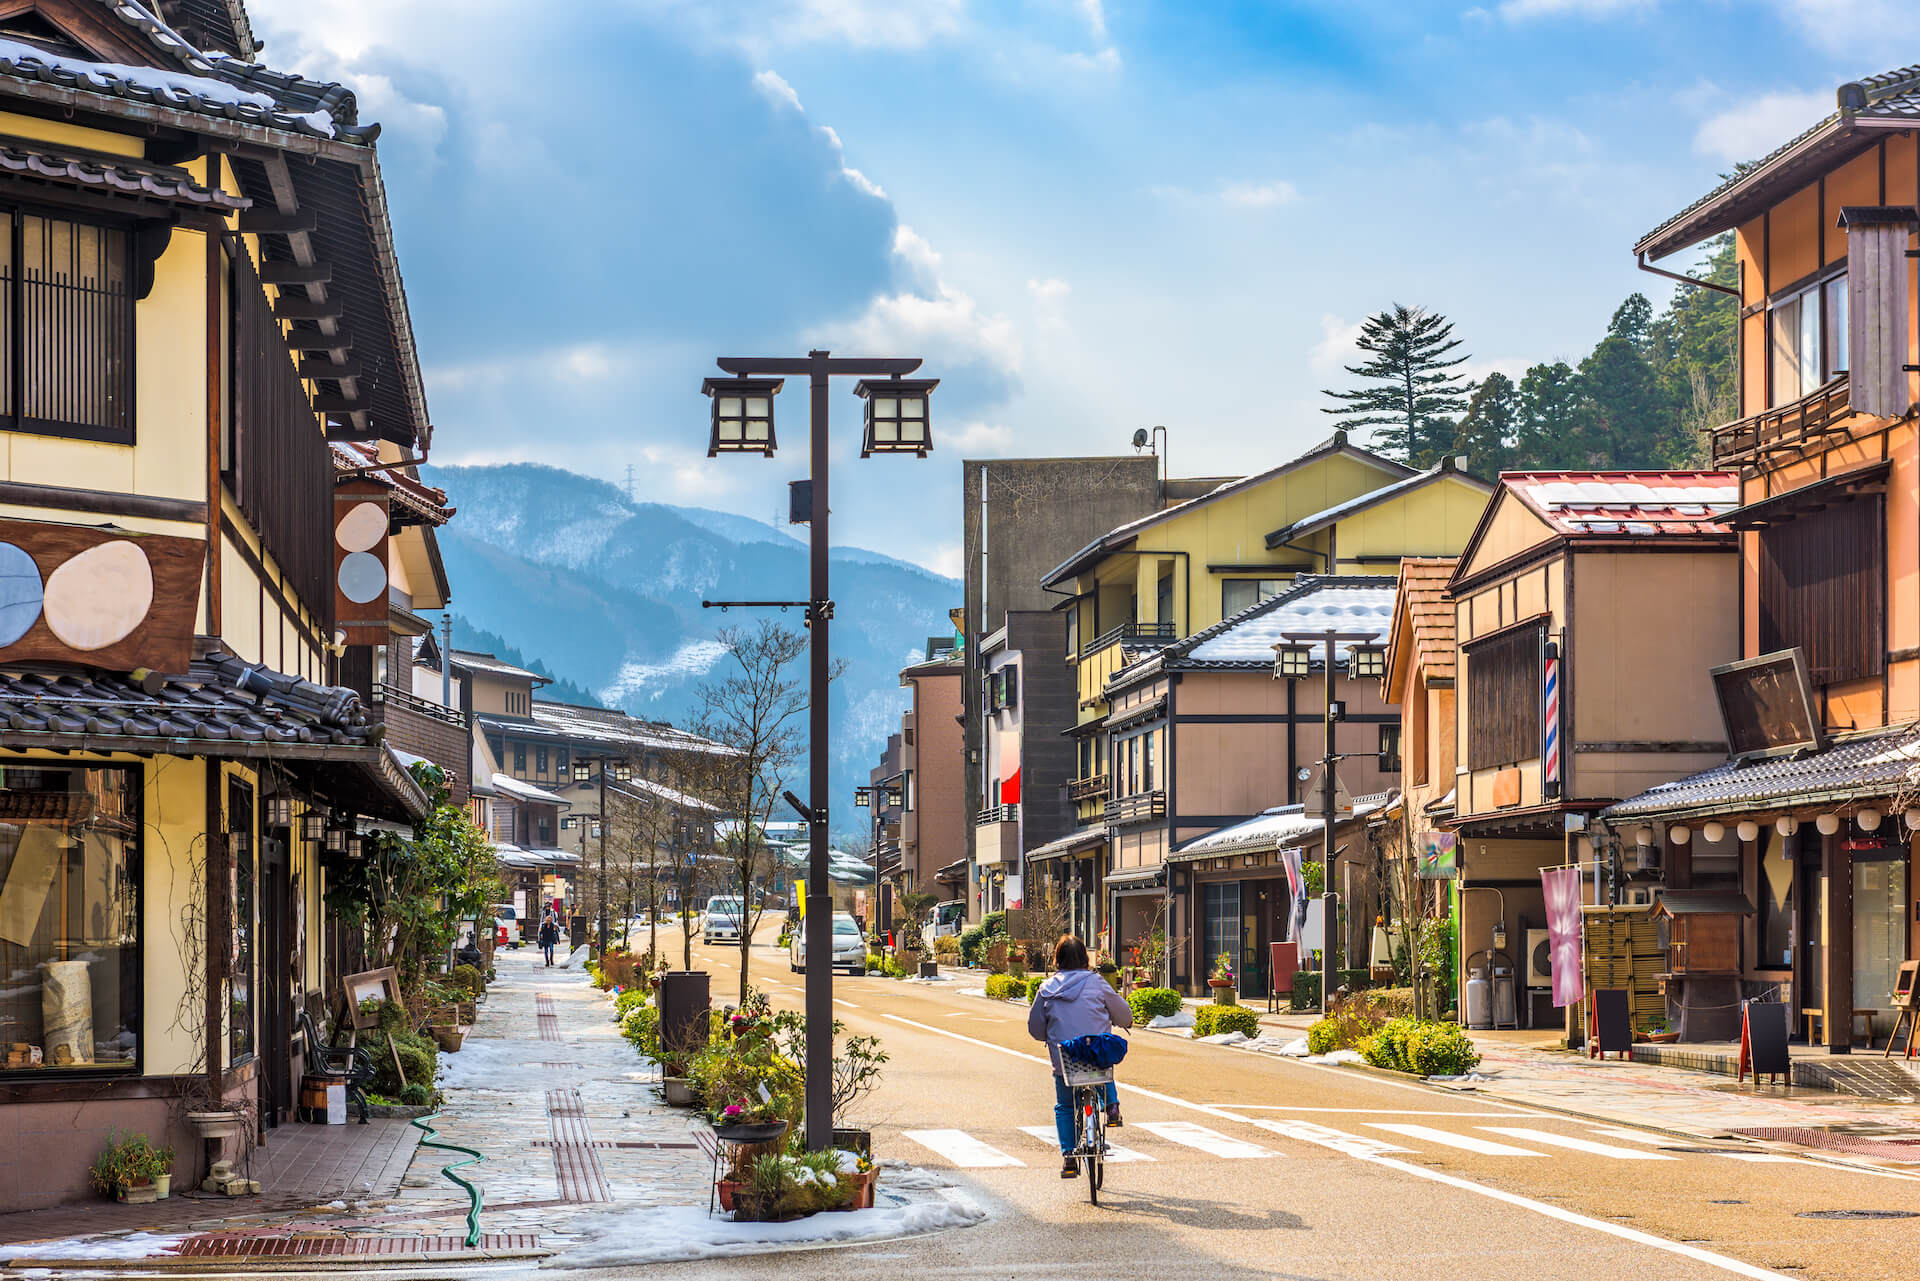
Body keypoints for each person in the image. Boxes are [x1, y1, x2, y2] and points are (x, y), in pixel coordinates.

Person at [1026, 934, 1133, 1179]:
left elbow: (1034, 1028)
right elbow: (1123, 1014)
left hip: (1065, 1060)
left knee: (1065, 1105)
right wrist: (1124, 1022)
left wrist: (1049, 1036)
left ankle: (1069, 1157)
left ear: (1058, 959)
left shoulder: (1047, 988)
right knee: (1101, 1056)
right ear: (1085, 957)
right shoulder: (1097, 983)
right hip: (1095, 1056)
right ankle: (1111, 1106)